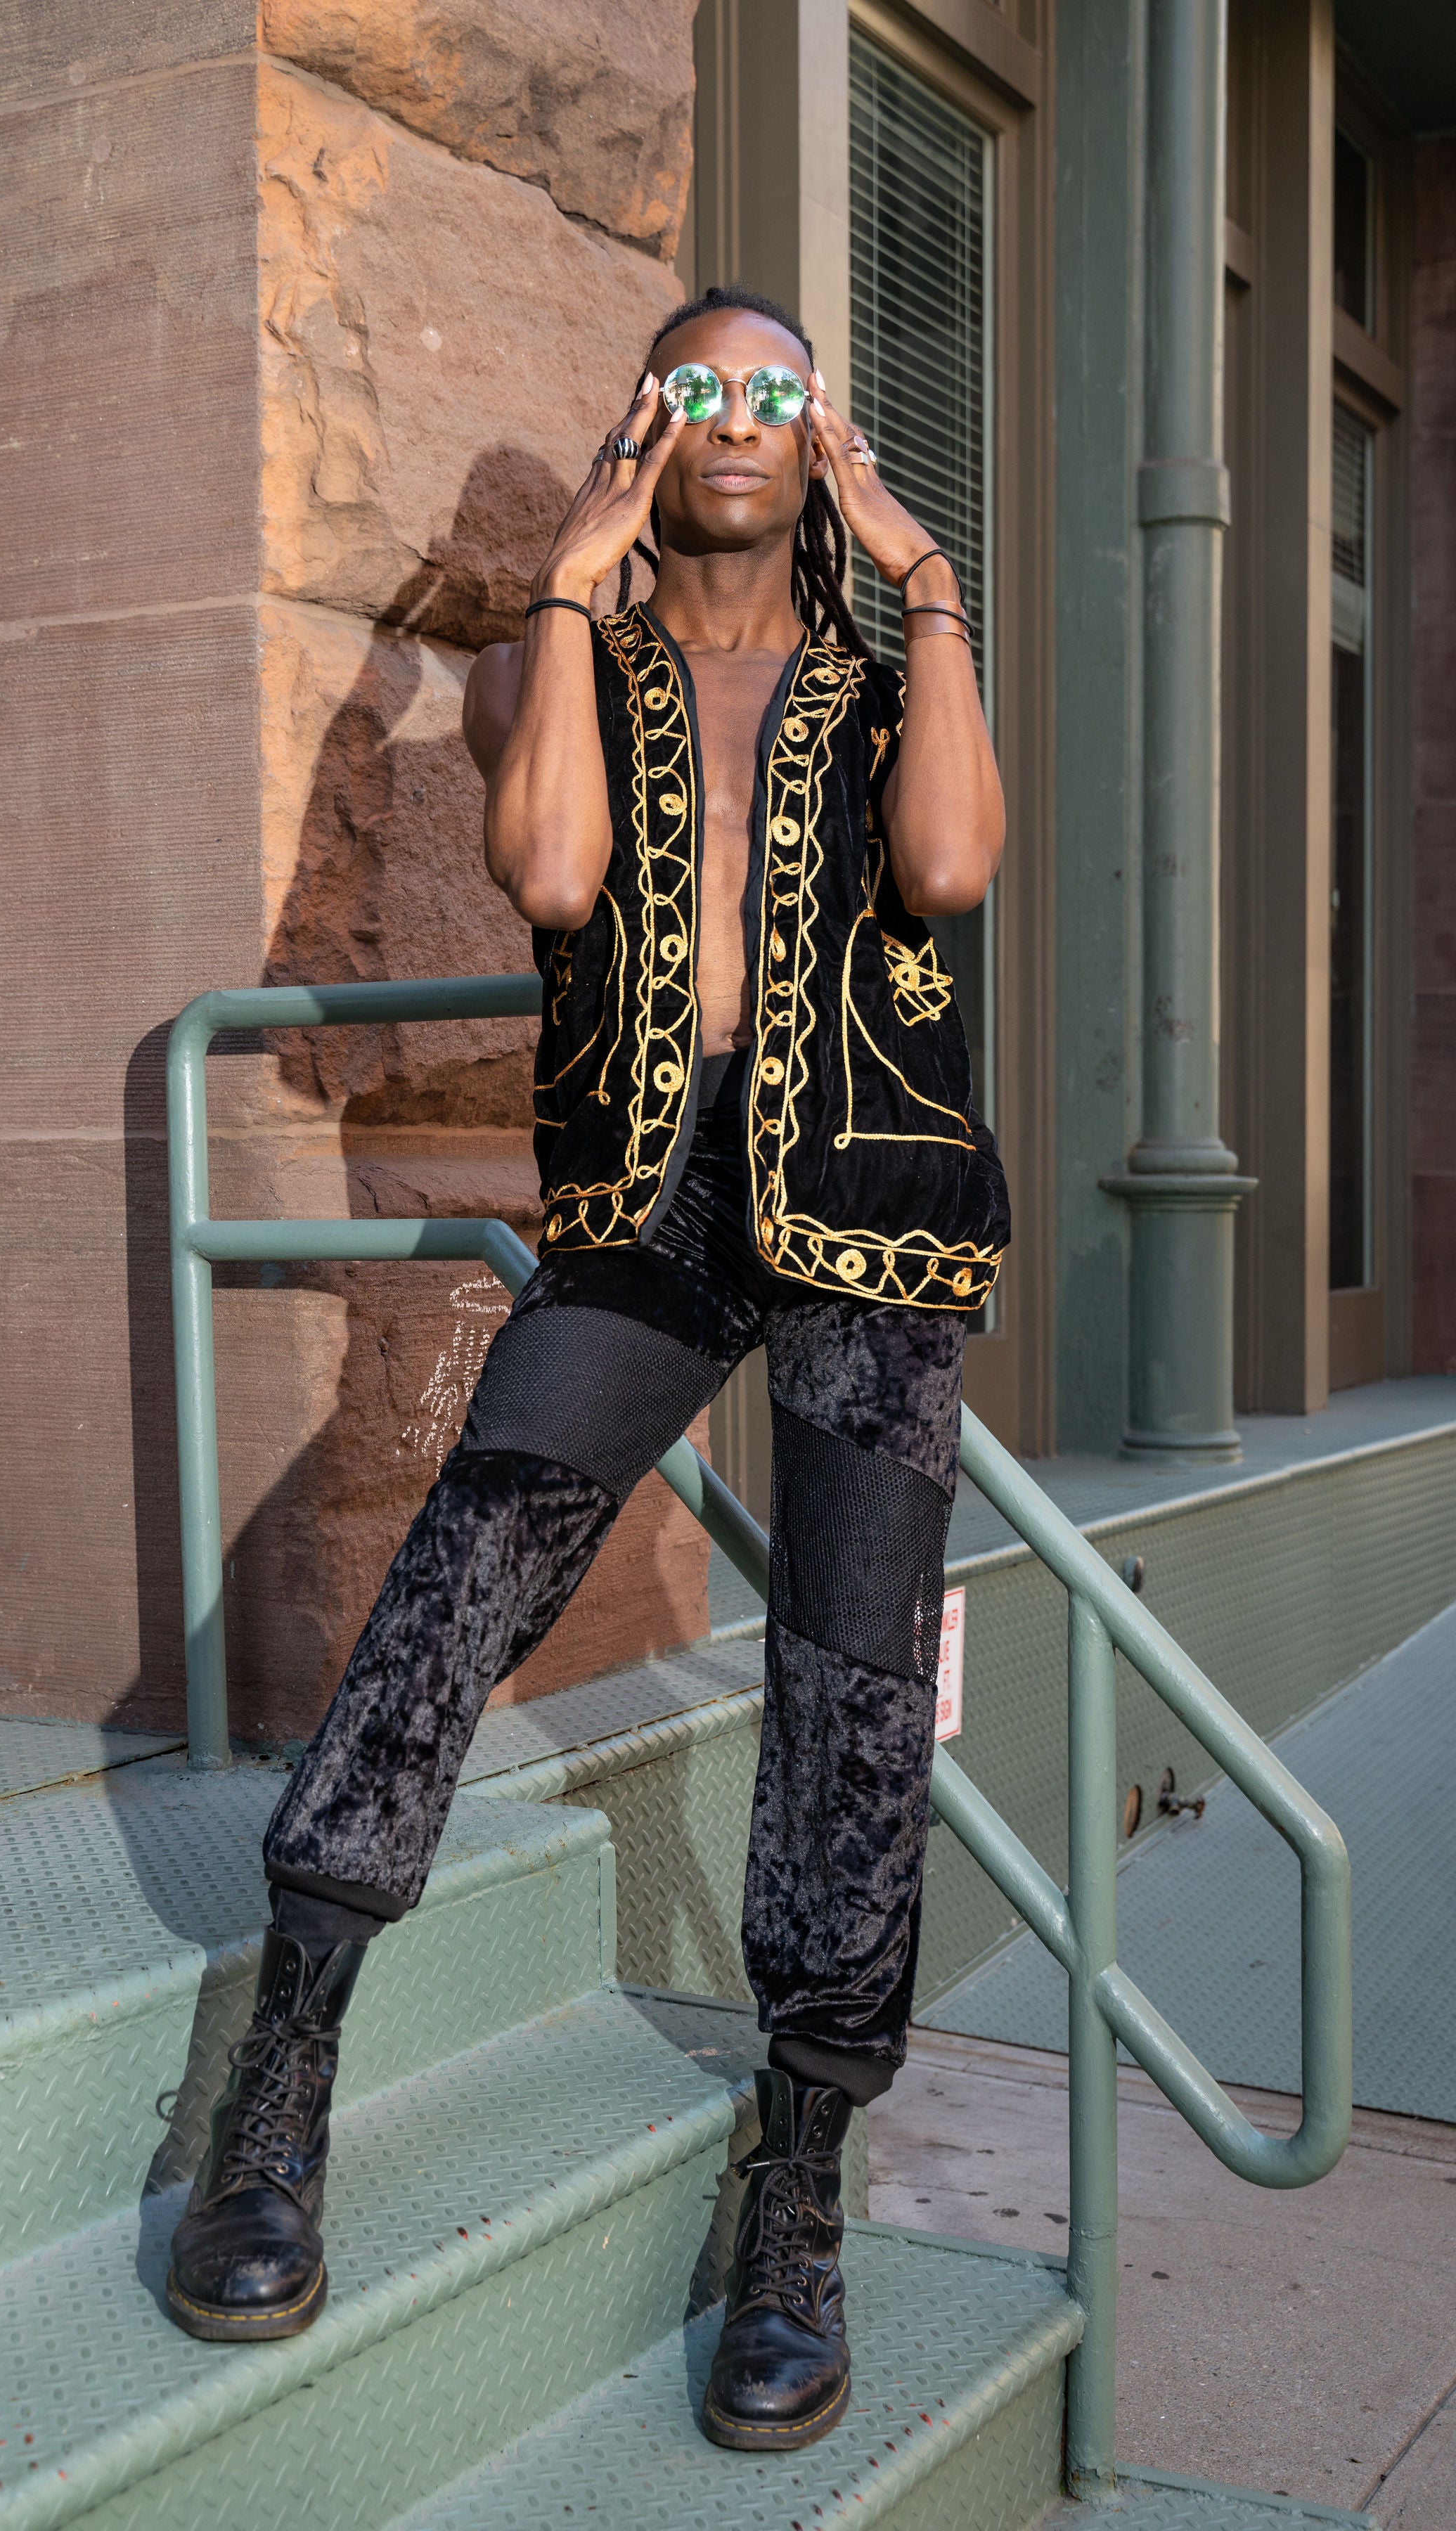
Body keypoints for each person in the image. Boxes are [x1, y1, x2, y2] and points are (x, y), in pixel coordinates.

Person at [164, 285, 1010, 2453]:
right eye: (697, 387)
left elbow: (948, 867)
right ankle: (281, 2088)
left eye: (775, 390)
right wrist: (564, 575)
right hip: (642, 1209)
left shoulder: (881, 673)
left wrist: (925, 576)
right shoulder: (577, 669)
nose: (737, 417)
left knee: (849, 1682)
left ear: (815, 438)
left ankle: (798, 2194)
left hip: (873, 1208)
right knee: (458, 1577)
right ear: (649, 423)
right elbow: (549, 871)